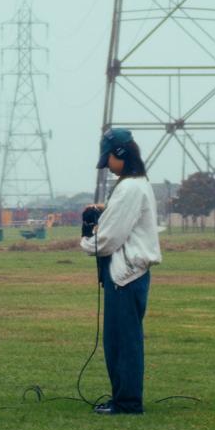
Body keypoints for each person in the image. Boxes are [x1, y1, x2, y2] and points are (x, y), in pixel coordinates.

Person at [81, 127, 163, 415]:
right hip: (130, 274)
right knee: (120, 341)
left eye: (108, 160)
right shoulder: (137, 184)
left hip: (124, 277)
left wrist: (87, 239)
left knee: (123, 343)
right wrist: (105, 211)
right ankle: (122, 398)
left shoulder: (129, 188)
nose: (107, 167)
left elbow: (109, 239)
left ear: (120, 154)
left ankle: (127, 402)